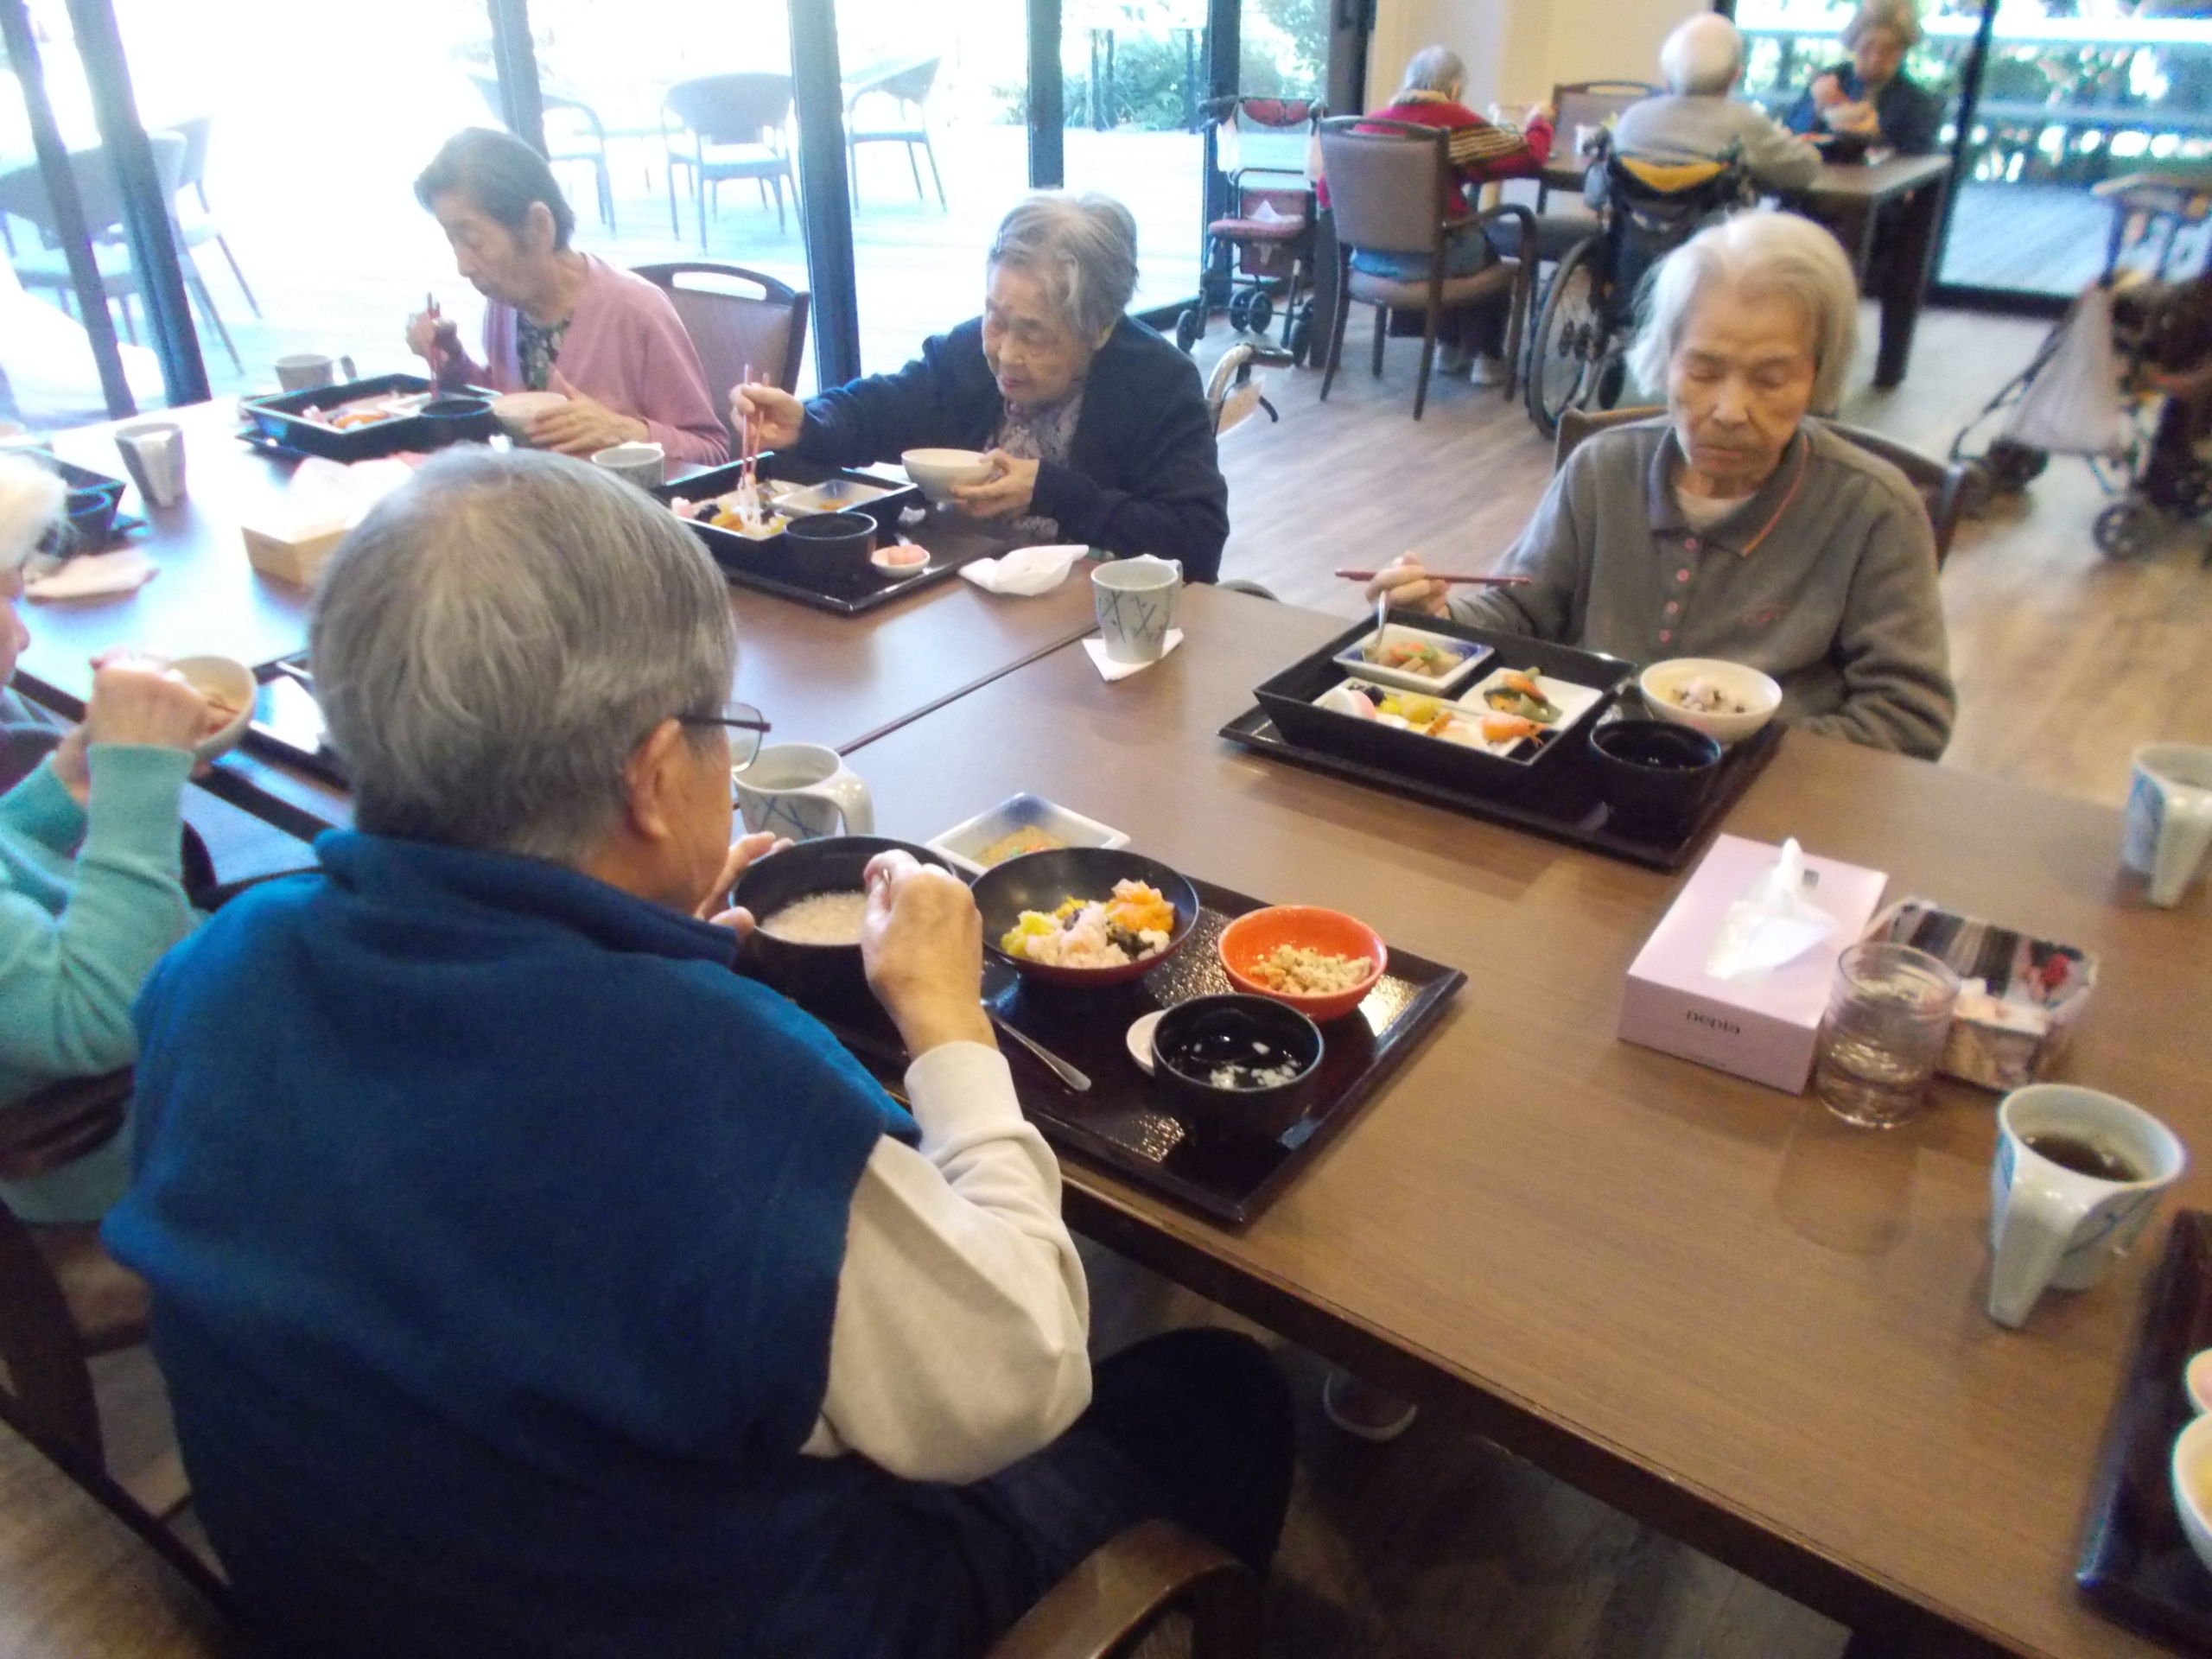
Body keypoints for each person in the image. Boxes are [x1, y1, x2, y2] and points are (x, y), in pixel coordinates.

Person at [103, 448, 1291, 1657]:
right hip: (730, 1616)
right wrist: (950, 1024)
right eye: (723, 735)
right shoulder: (721, 1094)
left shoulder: (211, 972)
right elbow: (1025, 1371)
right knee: (1220, 1397)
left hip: (344, 1596)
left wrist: (635, 941)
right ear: (656, 779)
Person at [1366, 211, 1956, 760]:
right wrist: (1439, 618)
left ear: (1818, 375)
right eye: (1703, 370)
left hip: (1766, 814)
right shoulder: (1605, 468)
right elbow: (1522, 608)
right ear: (1665, 358)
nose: (1730, 409)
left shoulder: (1873, 510)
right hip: (1576, 771)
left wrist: (1742, 753)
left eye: (1771, 379)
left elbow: (1909, 717)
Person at [731, 193, 1229, 581]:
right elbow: (887, 406)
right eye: (996, 320)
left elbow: (1196, 541)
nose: (1007, 354)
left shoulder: (1156, 384)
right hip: (962, 598)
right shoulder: (969, 352)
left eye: (1035, 334)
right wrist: (808, 423)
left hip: (1090, 633)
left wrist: (1055, 494)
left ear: (1099, 327)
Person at [0, 456, 207, 1224]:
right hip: (121, 1155)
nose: (22, 635)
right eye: (8, 600)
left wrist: (68, 788)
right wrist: (137, 782)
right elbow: (94, 1018)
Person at [403, 128, 728, 465]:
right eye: (452, 241)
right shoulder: (504, 306)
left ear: (539, 226)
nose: (463, 266)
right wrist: (452, 361)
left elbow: (712, 452)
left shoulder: (635, 309)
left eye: (472, 241)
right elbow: (507, 409)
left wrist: (627, 432)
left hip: (620, 512)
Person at [1325, 45, 1555, 385]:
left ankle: (1450, 347)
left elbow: (1324, 192)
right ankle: (1485, 359)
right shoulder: (1453, 122)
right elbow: (1528, 157)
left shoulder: (1368, 125)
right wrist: (1540, 121)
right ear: (1456, 90)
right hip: (1432, 261)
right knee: (1485, 252)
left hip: (1369, 260)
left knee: (1453, 239)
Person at [1610, 15, 1821, 193]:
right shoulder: (1745, 123)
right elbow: (1803, 173)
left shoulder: (1633, 119)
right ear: (1735, 76)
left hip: (1634, 239)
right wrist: (1804, 148)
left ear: (1667, 76)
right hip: (1719, 239)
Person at [1786, 0, 1944, 157]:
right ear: (1853, 46)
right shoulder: (1830, 81)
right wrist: (1818, 109)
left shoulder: (1917, 101)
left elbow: (1919, 153)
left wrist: (1877, 137)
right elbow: (1790, 131)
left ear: (1901, 54)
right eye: (1867, 47)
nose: (1876, 58)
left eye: (1888, 50)